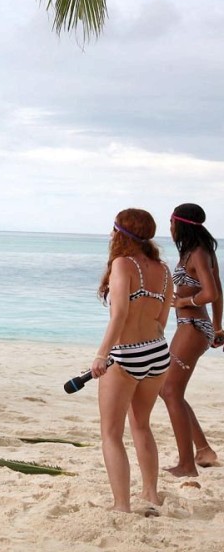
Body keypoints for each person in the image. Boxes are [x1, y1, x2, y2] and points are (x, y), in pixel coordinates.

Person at [91, 209, 172, 515]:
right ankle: (150, 494)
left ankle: (121, 505)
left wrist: (102, 355)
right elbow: (163, 319)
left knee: (111, 433)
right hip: (157, 352)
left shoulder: (122, 264)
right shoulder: (163, 270)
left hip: (126, 355)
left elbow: (120, 314)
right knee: (141, 425)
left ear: (119, 233)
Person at [160, 203, 222, 477]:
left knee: (170, 391)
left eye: (171, 222)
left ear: (179, 223)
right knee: (170, 390)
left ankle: (187, 465)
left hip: (193, 326)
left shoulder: (197, 252)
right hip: (195, 326)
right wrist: (218, 328)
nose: (169, 227)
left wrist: (185, 300)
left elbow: (211, 293)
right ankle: (203, 451)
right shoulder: (200, 251)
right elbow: (219, 289)